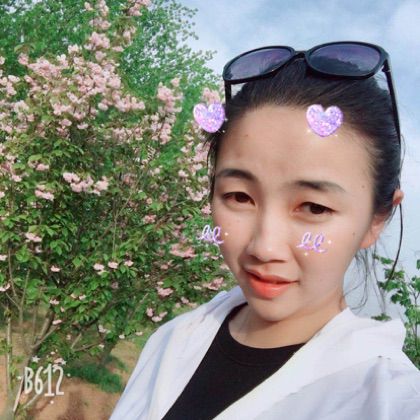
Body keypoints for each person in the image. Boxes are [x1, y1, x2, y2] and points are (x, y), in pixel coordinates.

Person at [110, 42, 420, 420]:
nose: (264, 247)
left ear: (376, 219)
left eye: (314, 207)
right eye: (240, 197)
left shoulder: (390, 400)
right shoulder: (171, 340)